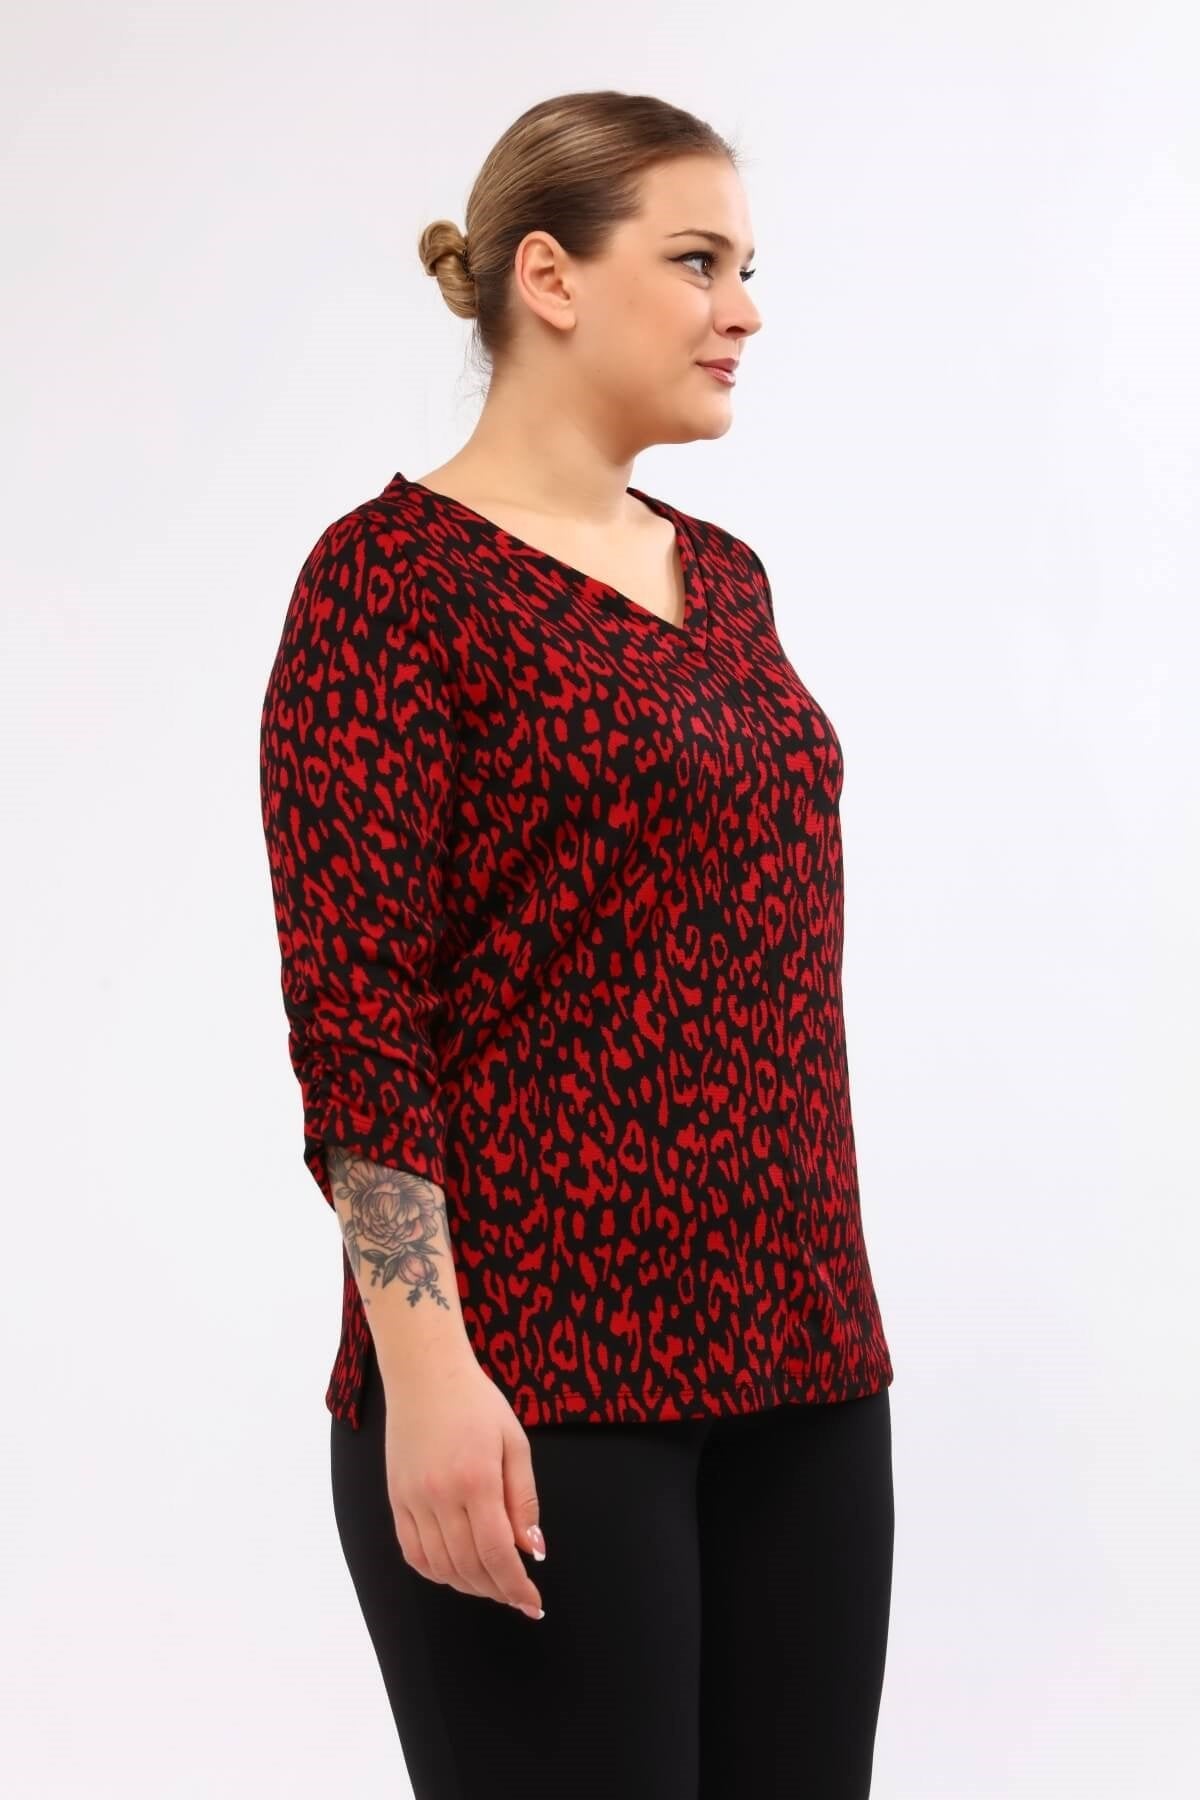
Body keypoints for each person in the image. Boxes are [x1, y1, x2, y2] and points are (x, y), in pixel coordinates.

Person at [259, 87, 896, 1798]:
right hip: (539, 1383)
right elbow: (357, 1018)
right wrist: (427, 1375)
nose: (742, 309)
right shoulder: (389, 584)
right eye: (697, 262)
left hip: (806, 1356)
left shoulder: (730, 580)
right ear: (548, 276)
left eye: (749, 269)